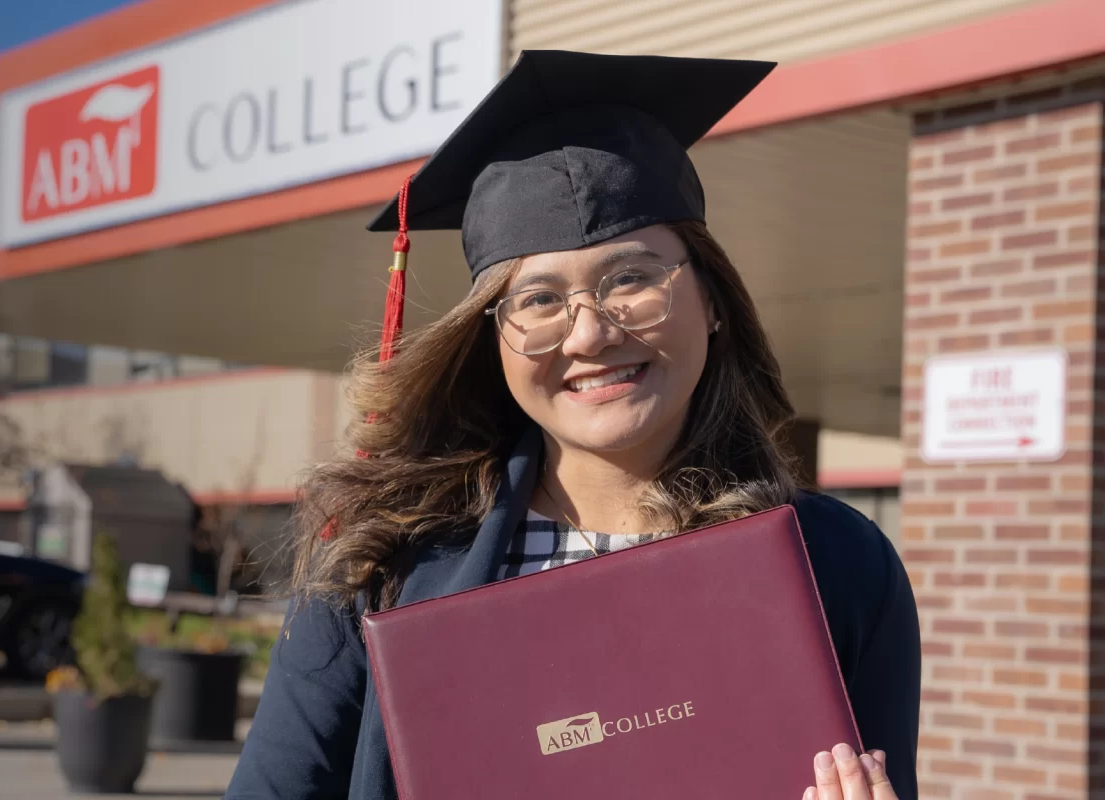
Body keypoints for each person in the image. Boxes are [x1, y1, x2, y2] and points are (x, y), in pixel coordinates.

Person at [223, 51, 919, 800]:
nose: (589, 335)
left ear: (714, 301)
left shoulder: (838, 567)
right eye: (540, 300)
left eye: (632, 278)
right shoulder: (377, 565)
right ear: (493, 339)